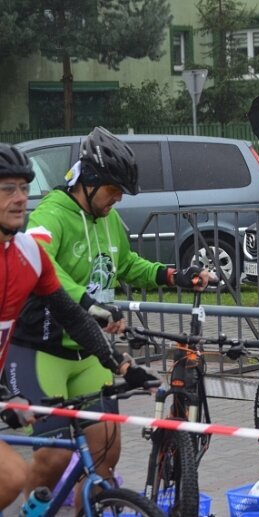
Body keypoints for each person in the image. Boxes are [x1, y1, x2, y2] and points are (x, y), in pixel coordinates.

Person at [7, 127, 212, 499]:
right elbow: (42, 267)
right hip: (41, 351)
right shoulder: (53, 215)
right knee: (53, 458)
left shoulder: (108, 220)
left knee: (106, 452)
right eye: (112, 190)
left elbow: (127, 264)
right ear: (87, 181)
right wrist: (93, 307)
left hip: (89, 351)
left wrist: (172, 275)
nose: (116, 199)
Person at [0, 143, 158, 510]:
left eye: (24, 188)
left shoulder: (27, 252)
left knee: (103, 445)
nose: (21, 198)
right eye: (8, 189)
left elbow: (70, 313)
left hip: (76, 355)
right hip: (35, 353)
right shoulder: (53, 221)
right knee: (26, 469)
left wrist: (120, 364)